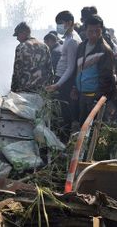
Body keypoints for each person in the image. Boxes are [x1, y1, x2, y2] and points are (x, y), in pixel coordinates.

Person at [73, 15, 116, 124]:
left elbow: (107, 78)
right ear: (85, 30)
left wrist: (99, 99)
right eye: (90, 31)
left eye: (97, 31)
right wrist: (75, 87)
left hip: (95, 98)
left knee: (94, 130)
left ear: (101, 30)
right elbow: (77, 69)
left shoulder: (105, 50)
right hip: (82, 95)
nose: (93, 34)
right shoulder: (81, 46)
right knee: (83, 127)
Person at [45, 11, 81, 142]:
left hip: (65, 81)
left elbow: (71, 67)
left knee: (65, 113)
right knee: (61, 111)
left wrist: (58, 84)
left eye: (60, 23)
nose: (58, 26)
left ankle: (64, 141)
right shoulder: (67, 38)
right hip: (61, 79)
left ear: (69, 23)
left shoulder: (72, 41)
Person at [11, 22, 53, 93]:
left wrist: (13, 89)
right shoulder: (44, 46)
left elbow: (17, 71)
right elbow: (50, 69)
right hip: (42, 90)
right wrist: (49, 86)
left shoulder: (21, 47)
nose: (17, 38)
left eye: (18, 35)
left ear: (24, 33)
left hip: (25, 90)